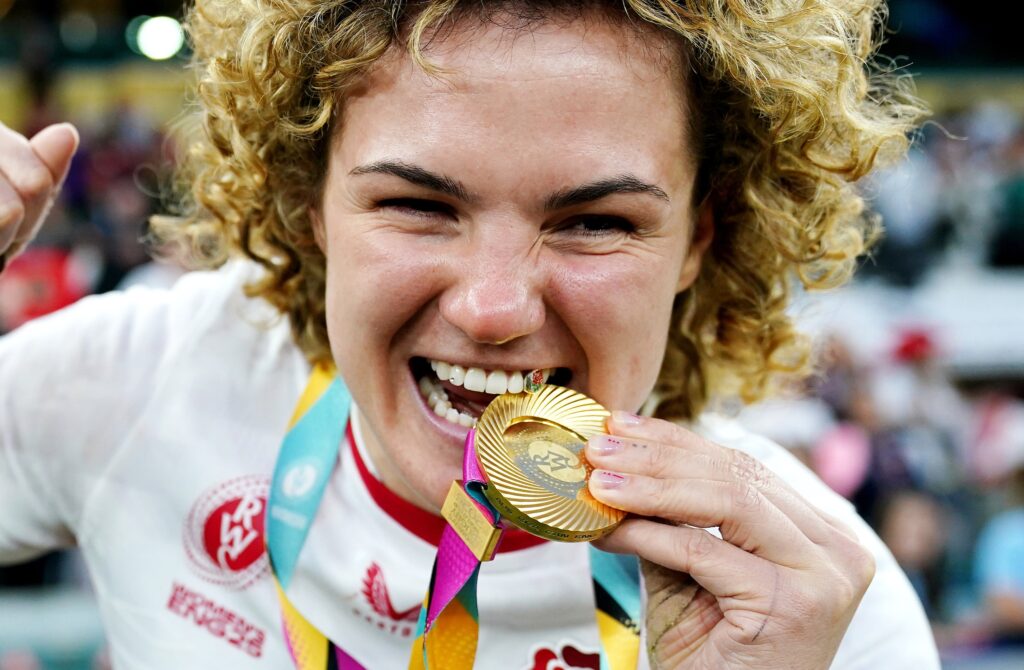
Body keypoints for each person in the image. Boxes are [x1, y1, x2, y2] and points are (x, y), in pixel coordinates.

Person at [0, 0, 939, 668]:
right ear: (309, 203)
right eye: (417, 206)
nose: (494, 310)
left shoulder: (815, 610)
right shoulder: (142, 378)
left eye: (596, 222)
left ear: (698, 239)